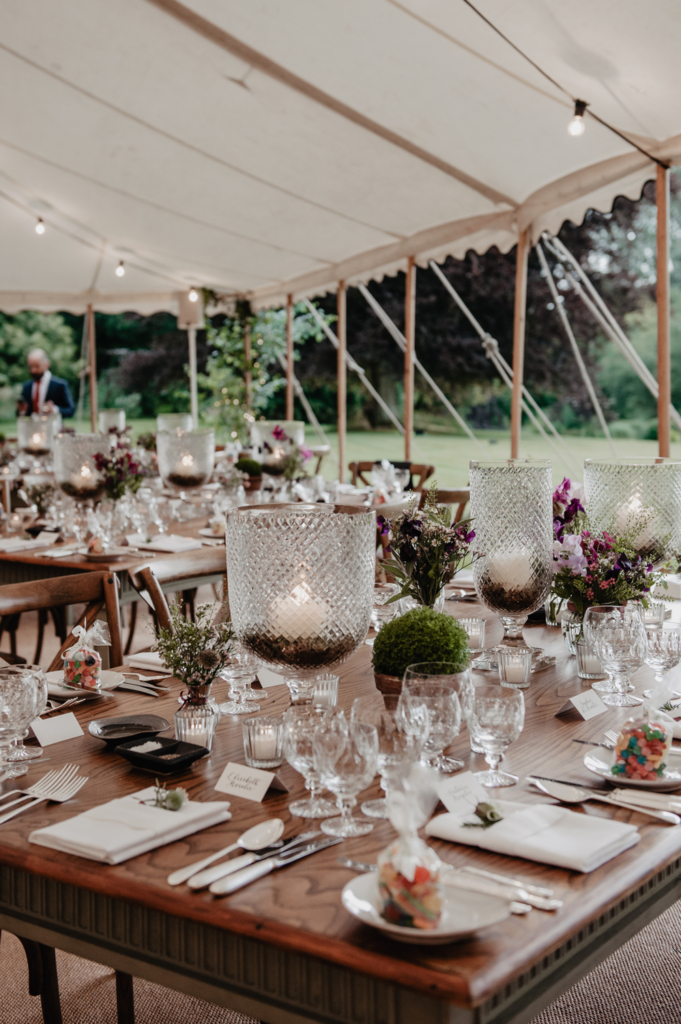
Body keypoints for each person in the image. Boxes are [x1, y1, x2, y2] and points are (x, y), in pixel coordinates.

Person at [17, 348, 75, 418]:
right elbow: (20, 413)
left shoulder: (59, 385)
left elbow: (70, 410)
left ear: (46, 365)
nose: (33, 370)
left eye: (36, 366)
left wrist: (54, 409)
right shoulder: (27, 386)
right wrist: (22, 410)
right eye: (30, 366)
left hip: (52, 427)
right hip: (31, 427)